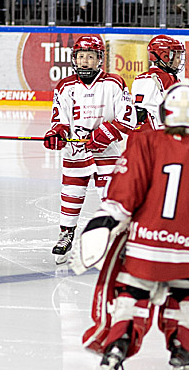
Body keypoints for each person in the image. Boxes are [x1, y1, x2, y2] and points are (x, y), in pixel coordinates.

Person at [80, 82, 189, 370]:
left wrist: (103, 221)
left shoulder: (145, 142)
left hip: (144, 249)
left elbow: (124, 196)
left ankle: (119, 338)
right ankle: (183, 343)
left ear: (165, 113)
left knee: (132, 290)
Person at [43, 35, 137, 263]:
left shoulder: (114, 83)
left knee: (111, 197)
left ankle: (118, 237)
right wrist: (57, 134)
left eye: (90, 57)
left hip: (108, 151)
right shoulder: (65, 86)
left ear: (99, 59)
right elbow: (60, 119)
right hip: (76, 152)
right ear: (74, 58)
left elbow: (128, 117)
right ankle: (66, 233)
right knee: (71, 195)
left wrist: (107, 132)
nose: (85, 61)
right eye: (81, 56)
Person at [131, 35, 186, 130]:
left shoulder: (174, 79)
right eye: (177, 56)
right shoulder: (147, 80)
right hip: (157, 139)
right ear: (165, 56)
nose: (179, 60)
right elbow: (141, 116)